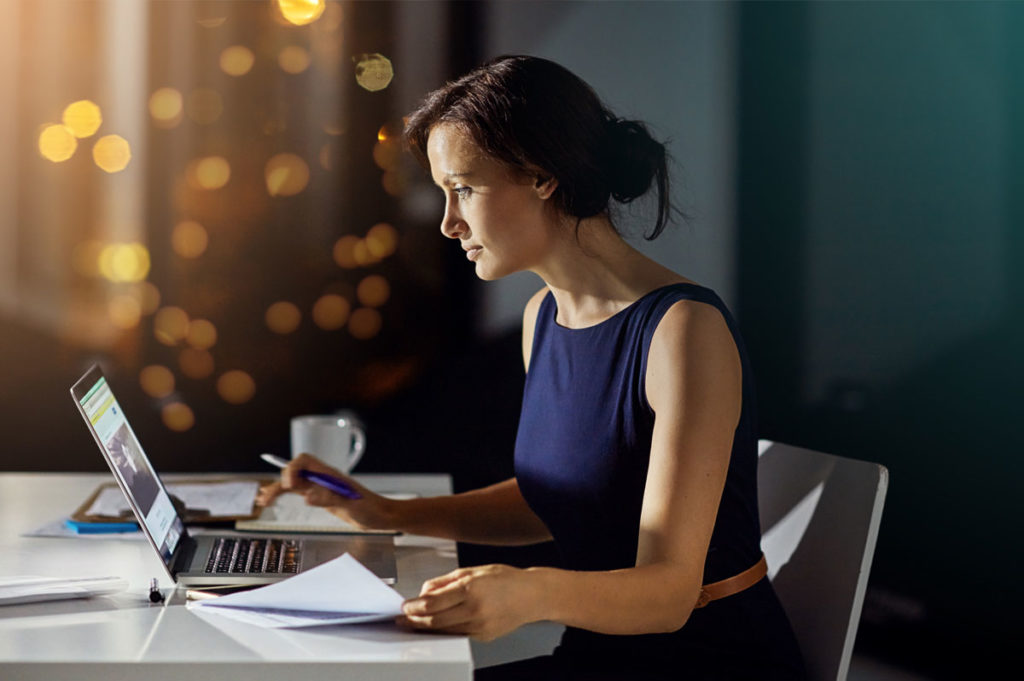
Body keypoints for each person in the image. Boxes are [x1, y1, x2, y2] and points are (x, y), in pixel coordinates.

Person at [258, 55, 806, 680]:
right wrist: (389, 512)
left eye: (463, 188)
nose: (448, 222)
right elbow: (561, 498)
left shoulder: (683, 330)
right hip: (600, 656)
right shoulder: (544, 316)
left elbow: (671, 593)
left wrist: (531, 593)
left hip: (701, 663)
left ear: (542, 176)